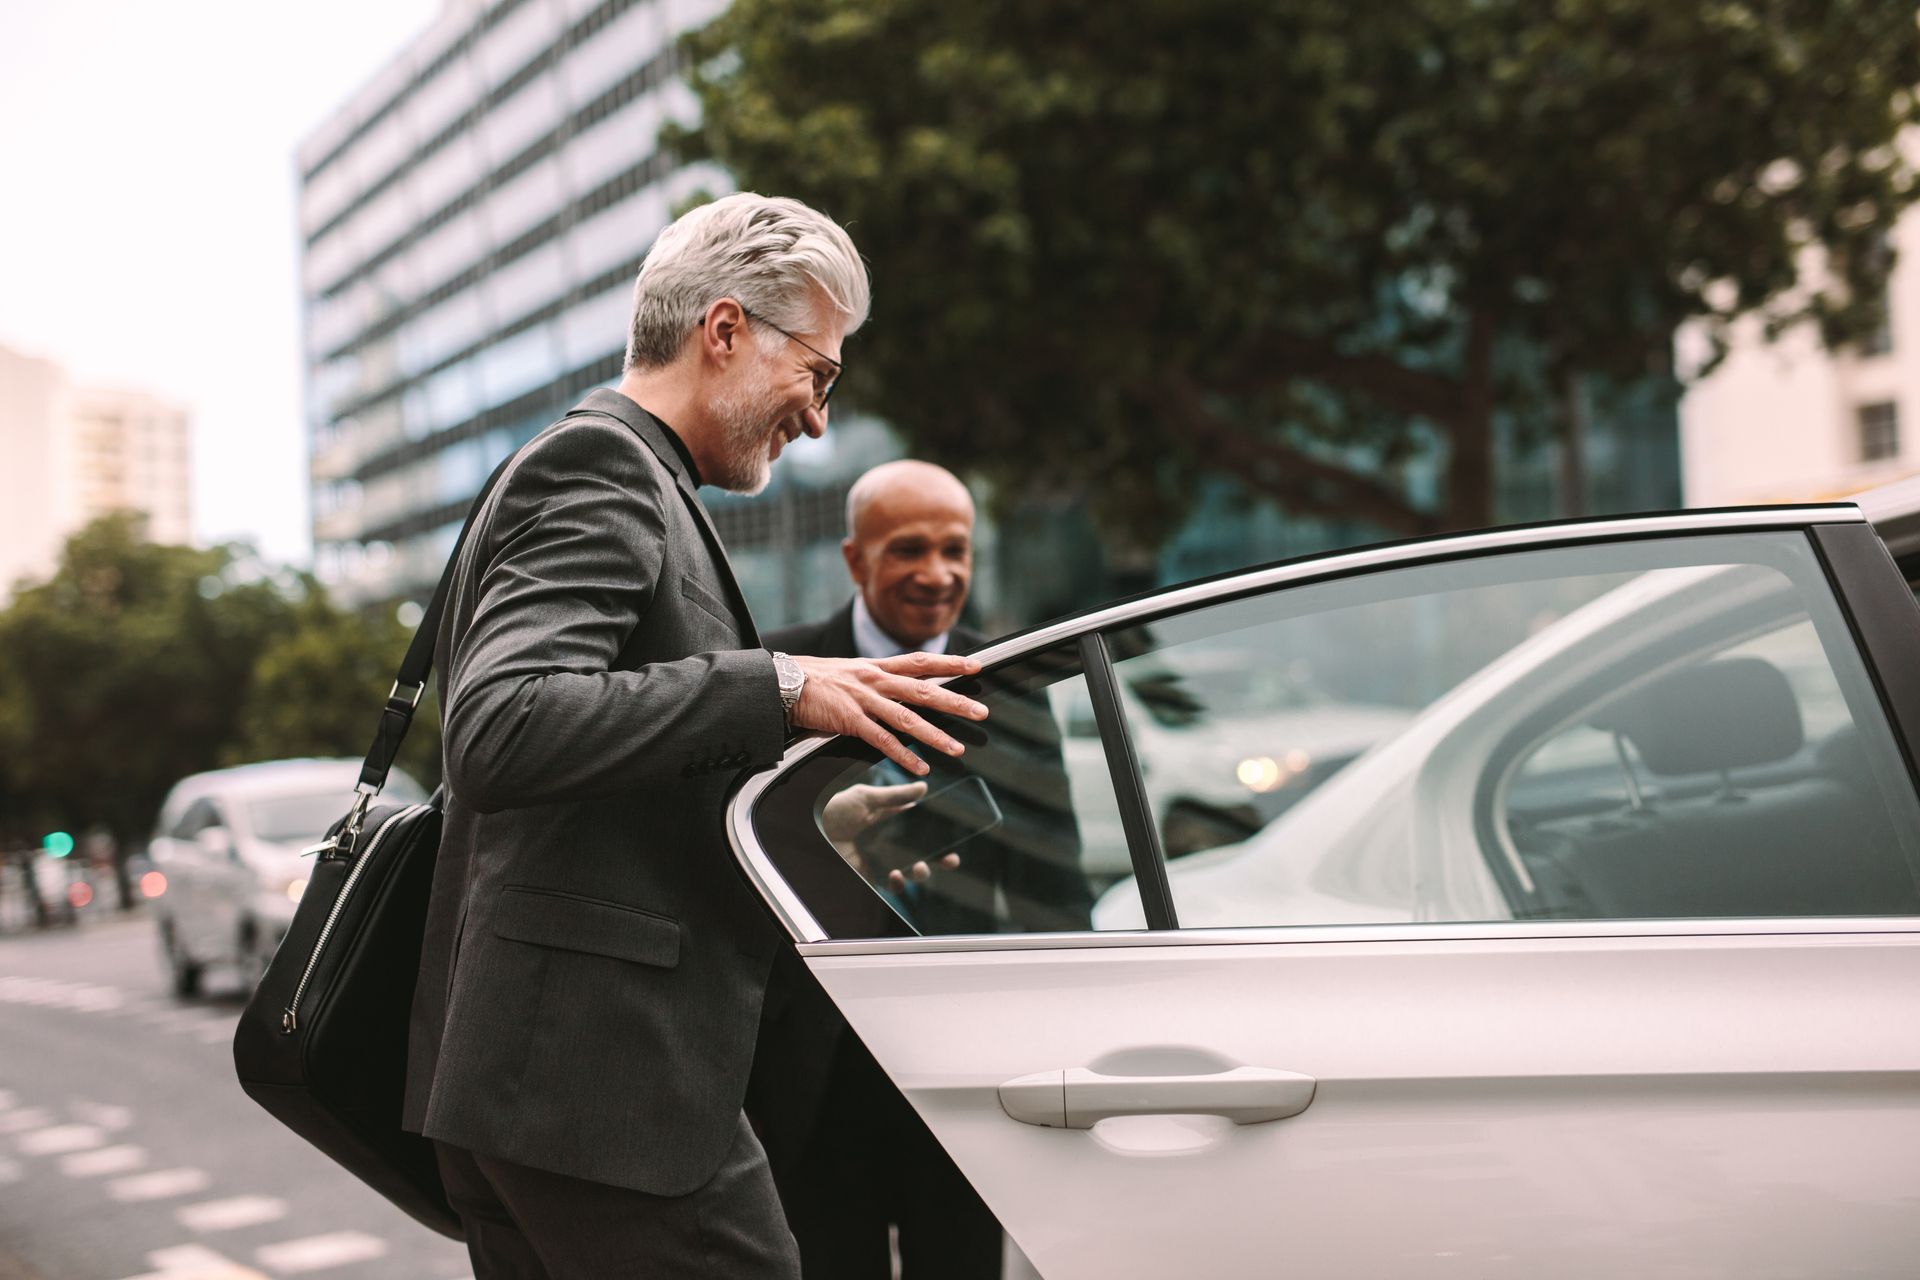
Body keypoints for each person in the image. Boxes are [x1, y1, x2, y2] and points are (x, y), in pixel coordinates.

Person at [403, 193, 989, 1280]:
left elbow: (592, 786)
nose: (816, 418)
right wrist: (780, 684)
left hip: (542, 1087)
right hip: (602, 1093)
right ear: (723, 331)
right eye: (816, 372)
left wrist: (816, 821)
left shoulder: (624, 474)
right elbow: (500, 727)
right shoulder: (605, 468)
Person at [749, 460, 1089, 1279]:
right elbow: (736, 865)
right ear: (855, 559)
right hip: (813, 1077)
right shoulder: (777, 671)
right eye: (908, 550)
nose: (936, 575)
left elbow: (1053, 885)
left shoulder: (1011, 680)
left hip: (961, 1071)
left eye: (955, 550)